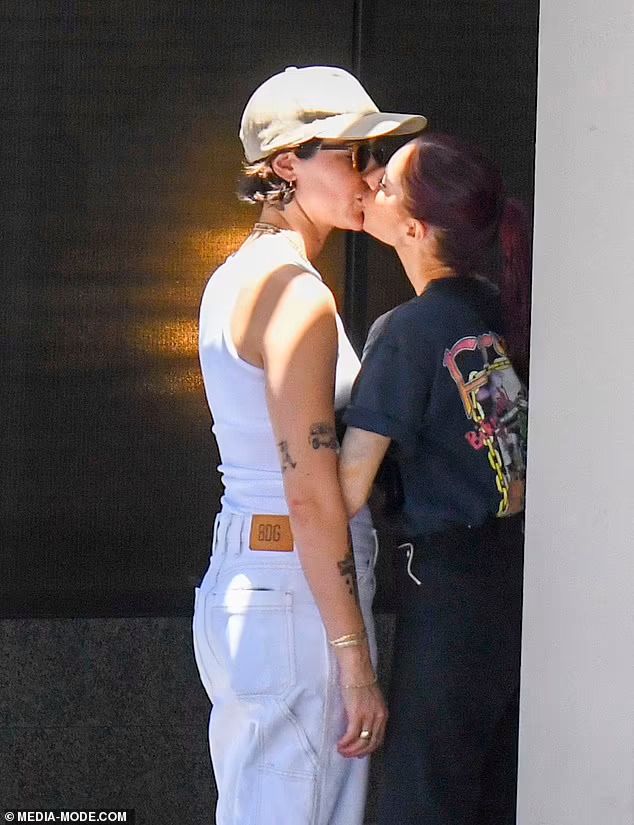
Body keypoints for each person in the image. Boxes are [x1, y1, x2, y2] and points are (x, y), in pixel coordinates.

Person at [191, 65, 426, 825]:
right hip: (296, 593)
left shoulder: (236, 278)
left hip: (258, 580)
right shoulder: (296, 294)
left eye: (374, 155)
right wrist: (354, 657)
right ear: (287, 163)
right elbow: (311, 489)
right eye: (353, 154)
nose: (370, 174)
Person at [339, 132, 531, 825]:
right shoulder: (503, 309)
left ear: (415, 229)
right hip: (519, 584)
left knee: (424, 796)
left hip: (447, 591)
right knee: (494, 792)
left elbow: (346, 489)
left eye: (386, 184)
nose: (369, 186)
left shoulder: (409, 331)